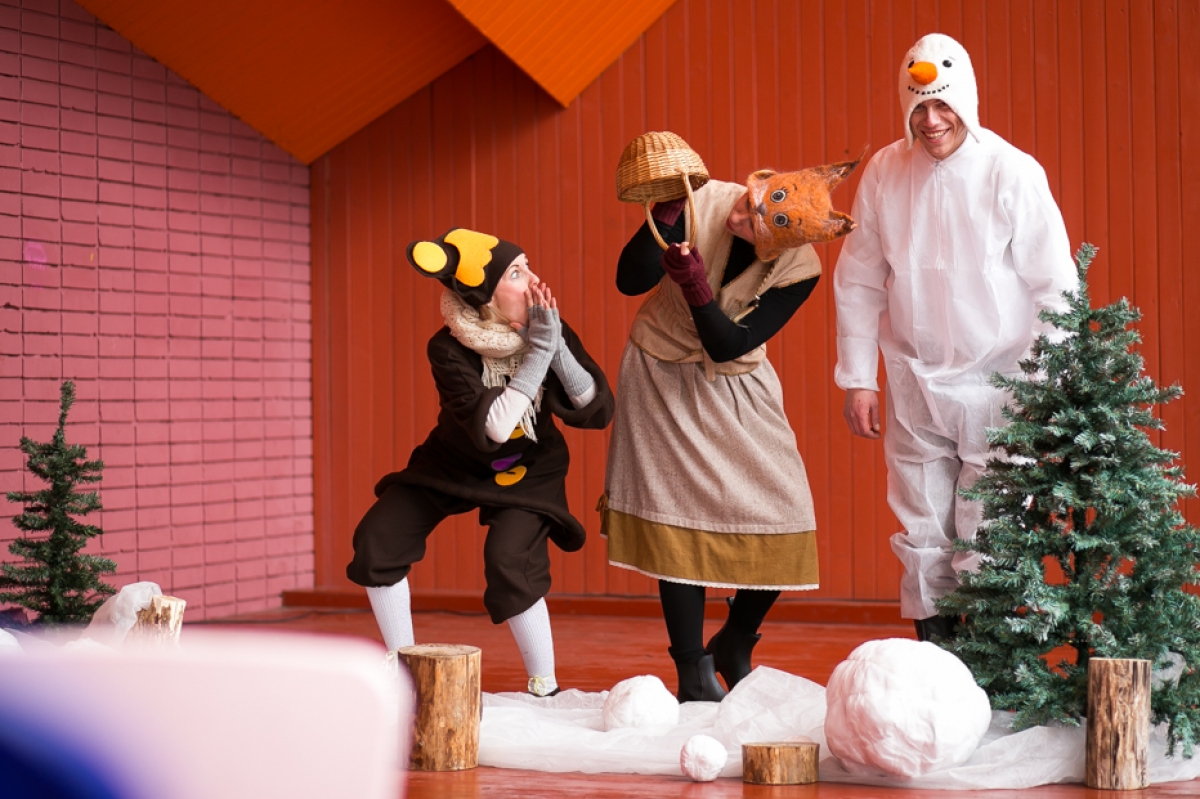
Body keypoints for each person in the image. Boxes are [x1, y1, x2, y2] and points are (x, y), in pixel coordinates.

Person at [833, 33, 1079, 642]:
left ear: (965, 100)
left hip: (1002, 382)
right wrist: (859, 378)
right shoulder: (885, 172)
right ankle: (938, 666)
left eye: (943, 104)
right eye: (919, 106)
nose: (931, 120)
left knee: (989, 529)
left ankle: (990, 672)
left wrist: (1046, 381)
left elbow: (1056, 286)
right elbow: (859, 278)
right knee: (921, 526)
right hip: (915, 377)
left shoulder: (1010, 171)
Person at [602, 160, 859, 701]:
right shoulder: (699, 200)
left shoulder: (800, 269)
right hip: (659, 366)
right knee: (678, 513)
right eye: (746, 202)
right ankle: (691, 670)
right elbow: (627, 281)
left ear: (779, 245)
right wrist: (666, 218)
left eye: (751, 223)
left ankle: (735, 641)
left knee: (786, 508)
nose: (737, 216)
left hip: (734, 372)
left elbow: (730, 345)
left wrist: (696, 287)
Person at [347, 228, 614, 696]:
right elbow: (495, 426)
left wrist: (555, 347)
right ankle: (404, 672)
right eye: (516, 273)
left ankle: (545, 686)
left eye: (528, 265)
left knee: (510, 560)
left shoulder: (547, 327)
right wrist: (539, 354)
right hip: (453, 461)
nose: (534, 279)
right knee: (378, 538)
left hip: (531, 466)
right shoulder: (448, 347)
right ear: (487, 297)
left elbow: (593, 406)